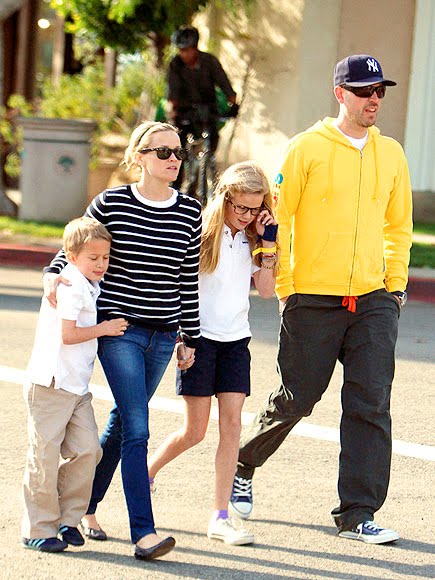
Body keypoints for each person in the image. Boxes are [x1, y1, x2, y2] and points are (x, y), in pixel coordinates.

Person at [230, 54, 413, 544]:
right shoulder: (305, 148)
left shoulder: (391, 153)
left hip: (373, 298)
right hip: (312, 297)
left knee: (371, 403)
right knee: (298, 398)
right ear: (340, 94)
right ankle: (243, 462)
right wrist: (287, 285)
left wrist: (394, 285)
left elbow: (398, 226)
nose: (374, 99)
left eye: (379, 91)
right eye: (364, 91)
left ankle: (357, 513)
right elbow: (280, 218)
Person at [43, 121, 202, 560]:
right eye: (163, 152)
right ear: (140, 157)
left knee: (121, 423)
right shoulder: (111, 203)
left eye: (178, 152)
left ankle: (81, 508)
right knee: (137, 426)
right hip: (121, 332)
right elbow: (75, 246)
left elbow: (187, 280)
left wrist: (189, 336)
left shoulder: (190, 211)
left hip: (164, 336)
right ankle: (144, 534)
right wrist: (53, 275)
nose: (173, 159)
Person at [147, 161, 279, 545]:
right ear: (225, 199)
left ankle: (220, 517)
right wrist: (181, 338)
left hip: (236, 341)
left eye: (255, 208)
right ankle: (145, 474)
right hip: (199, 339)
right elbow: (178, 285)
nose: (247, 215)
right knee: (194, 431)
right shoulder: (201, 232)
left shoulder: (254, 237)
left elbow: (266, 290)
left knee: (232, 427)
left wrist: (268, 243)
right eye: (241, 207)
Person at [22, 217, 128, 553]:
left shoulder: (90, 283)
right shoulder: (69, 284)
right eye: (93, 258)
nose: (101, 264)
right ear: (71, 256)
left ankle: (68, 520)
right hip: (50, 384)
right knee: (44, 456)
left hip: (77, 388)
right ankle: (38, 529)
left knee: (88, 450)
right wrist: (106, 328)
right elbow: (68, 335)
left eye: (105, 257)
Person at [167, 25, 238, 192]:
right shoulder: (175, 64)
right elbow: (173, 92)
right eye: (181, 50)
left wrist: (233, 104)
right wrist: (173, 112)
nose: (185, 54)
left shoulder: (209, 61)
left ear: (195, 47)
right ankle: (175, 188)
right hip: (184, 112)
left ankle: (207, 168)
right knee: (178, 147)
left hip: (208, 110)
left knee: (212, 140)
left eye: (188, 49)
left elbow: (225, 84)